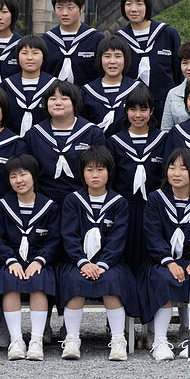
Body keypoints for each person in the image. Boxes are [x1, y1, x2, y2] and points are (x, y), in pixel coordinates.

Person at [58, 146, 136, 362]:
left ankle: (118, 339)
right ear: (82, 172)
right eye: (89, 170)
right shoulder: (73, 200)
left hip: (110, 262)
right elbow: (69, 235)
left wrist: (102, 264)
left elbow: (118, 240)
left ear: (109, 173)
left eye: (100, 170)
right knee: (75, 281)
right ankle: (72, 338)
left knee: (112, 282)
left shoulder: (118, 202)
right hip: (77, 261)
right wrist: (83, 263)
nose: (95, 175)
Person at [141, 147, 190, 361]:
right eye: (172, 167)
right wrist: (169, 262)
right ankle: (160, 341)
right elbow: (152, 235)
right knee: (165, 279)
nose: (176, 173)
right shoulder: (156, 199)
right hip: (161, 261)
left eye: (183, 168)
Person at [0, 155, 60, 361]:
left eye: (23, 174)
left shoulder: (49, 206)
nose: (19, 180)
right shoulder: (2, 206)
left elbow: (54, 241)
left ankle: (36, 340)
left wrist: (39, 260)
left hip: (39, 259)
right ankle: (16, 340)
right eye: (13, 176)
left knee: (39, 280)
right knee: (11, 281)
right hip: (11, 259)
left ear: (33, 176)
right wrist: (10, 261)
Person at [106, 85, 170, 272]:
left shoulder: (162, 140)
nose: (138, 115)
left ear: (151, 111)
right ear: (126, 111)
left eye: (143, 109)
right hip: (124, 207)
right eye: (133, 109)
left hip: (154, 208)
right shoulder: (114, 142)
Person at [25, 81, 108, 204]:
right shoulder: (34, 135)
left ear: (74, 103)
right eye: (52, 99)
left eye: (64, 98)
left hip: (83, 201)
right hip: (43, 201)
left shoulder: (92, 133)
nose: (58, 103)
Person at [114, 0, 181, 123]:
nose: (133, 9)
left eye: (139, 4)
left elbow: (178, 74)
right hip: (132, 109)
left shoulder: (168, 34)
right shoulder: (119, 39)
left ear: (148, 6)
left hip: (164, 106)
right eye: (128, 4)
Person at [81, 34, 145, 138]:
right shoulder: (87, 92)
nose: (112, 61)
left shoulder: (138, 89)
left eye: (118, 56)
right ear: (100, 59)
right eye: (107, 56)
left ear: (126, 59)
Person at [42, 0, 104, 86]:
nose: (64, 13)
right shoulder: (46, 41)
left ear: (81, 8)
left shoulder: (96, 39)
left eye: (70, 7)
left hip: (87, 99)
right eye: (59, 7)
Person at [2, 35, 55, 137]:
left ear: (44, 56)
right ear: (17, 56)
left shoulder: (54, 86)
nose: (29, 58)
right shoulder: (6, 86)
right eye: (24, 53)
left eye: (35, 53)